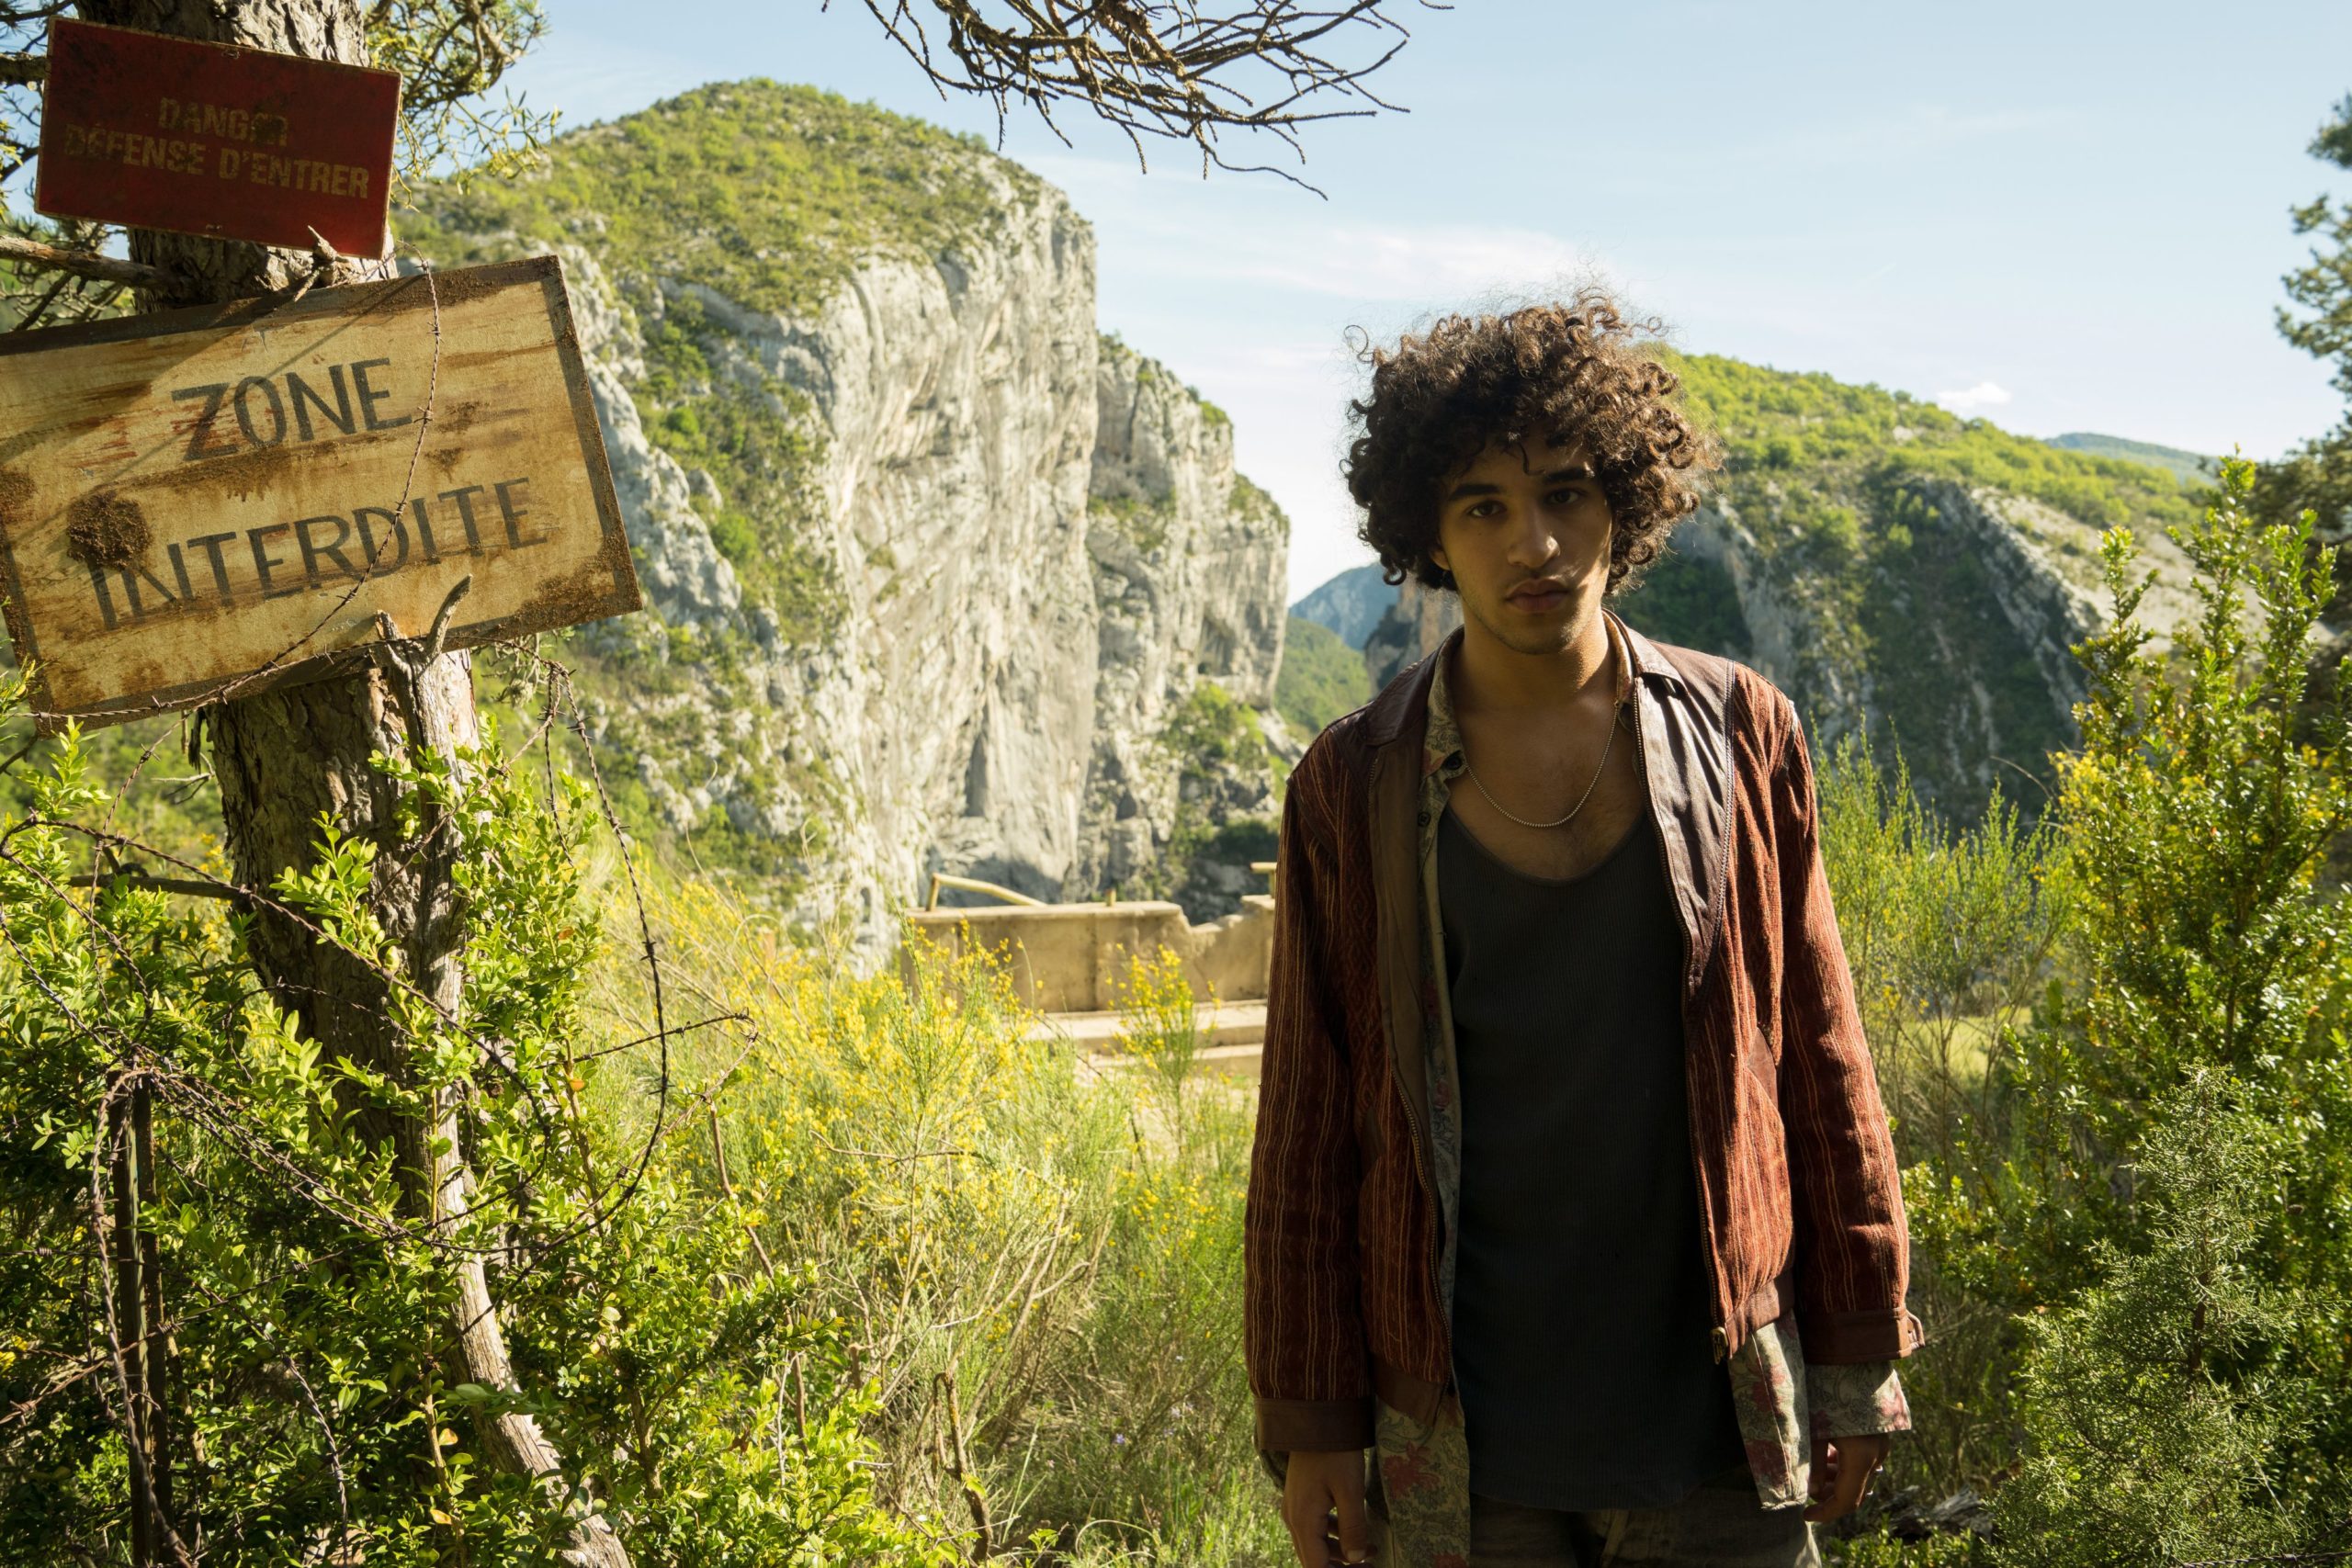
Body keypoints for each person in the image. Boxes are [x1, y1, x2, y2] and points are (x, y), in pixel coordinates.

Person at [1244, 293, 1922, 1568]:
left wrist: (1854, 1355)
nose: (1535, 543)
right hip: (1465, 1443)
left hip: (1719, 1422)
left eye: (1566, 493)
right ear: (1429, 532)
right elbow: (1307, 1123)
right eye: (1483, 506)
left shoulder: (1745, 734)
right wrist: (1313, 1418)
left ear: (1627, 504)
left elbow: (1823, 1058)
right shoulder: (1354, 781)